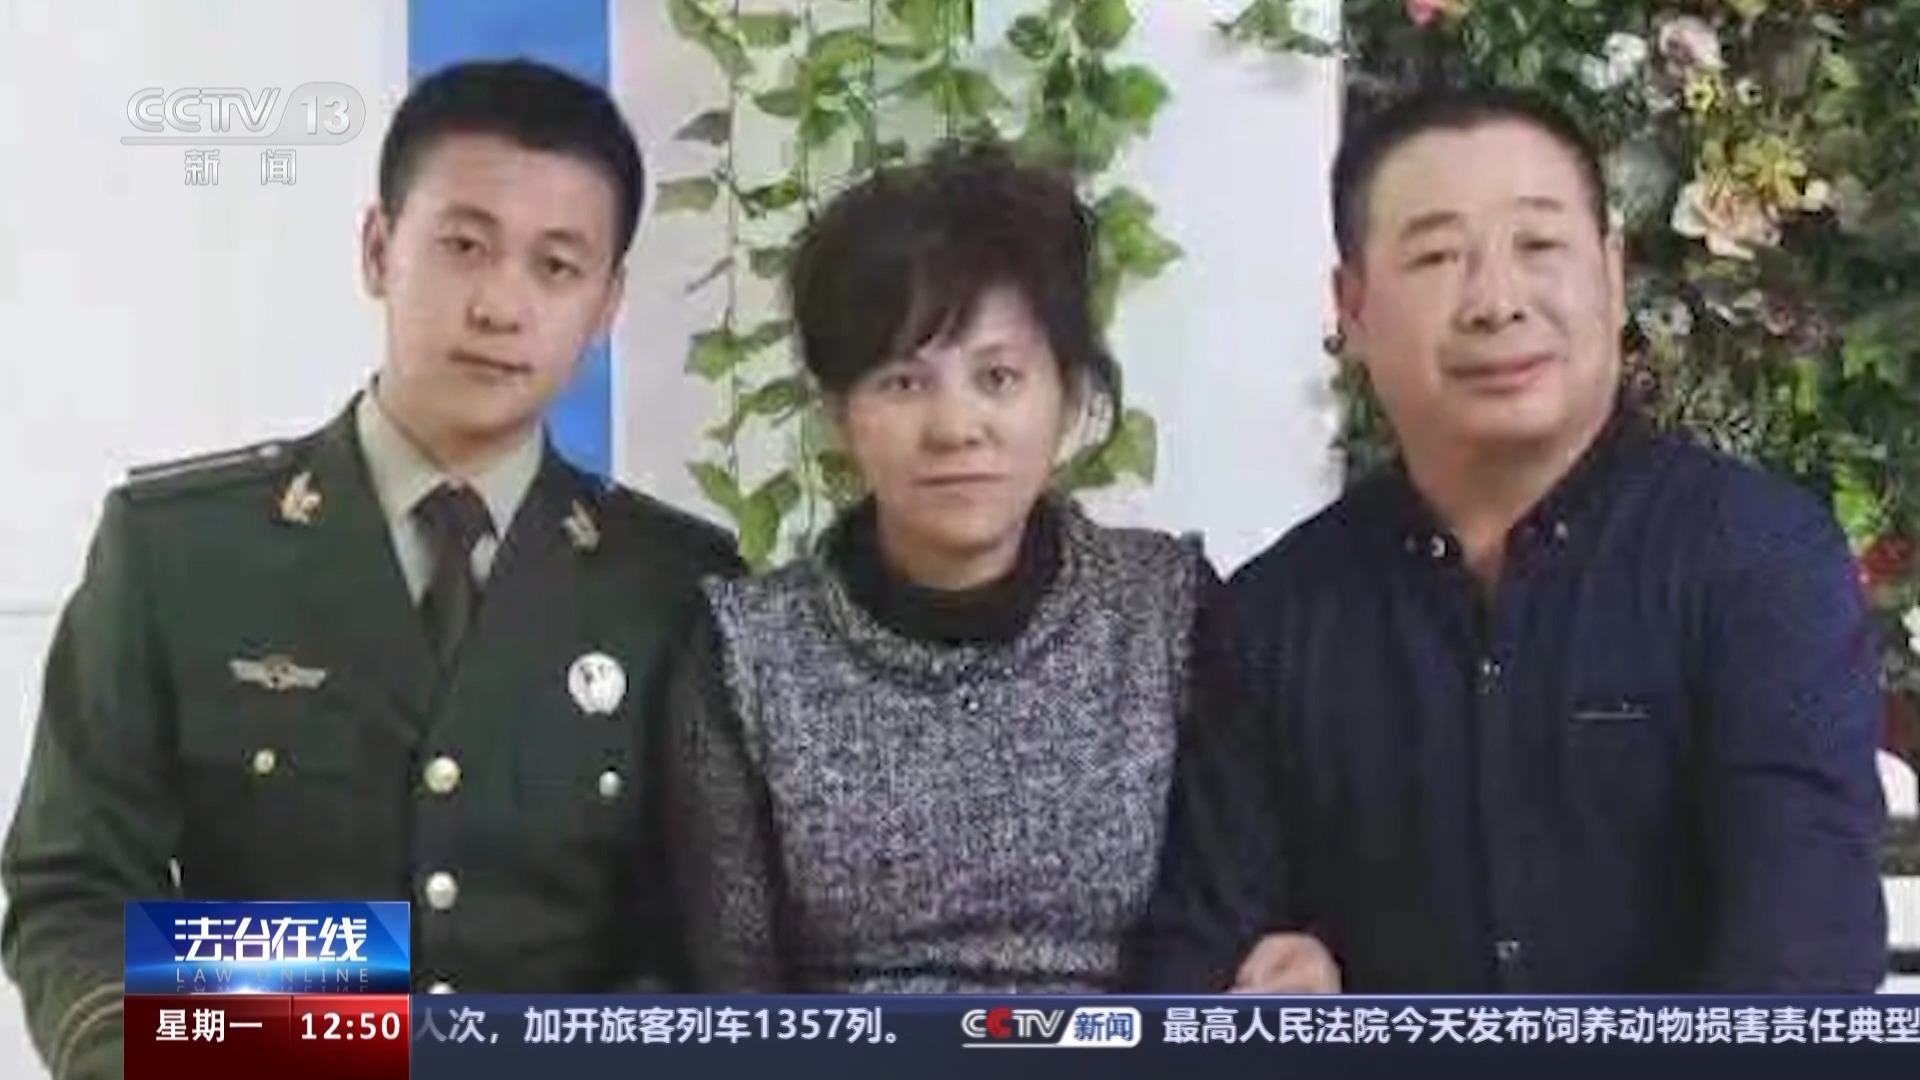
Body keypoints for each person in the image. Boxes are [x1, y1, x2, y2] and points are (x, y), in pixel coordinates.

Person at [1, 58, 741, 1079]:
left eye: (556, 267)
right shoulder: (179, 551)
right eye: (464, 247)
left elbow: (702, 939)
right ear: (379, 249)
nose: (501, 305)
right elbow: (75, 885)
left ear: (608, 304)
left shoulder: (673, 589)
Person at [1138, 86, 1888, 993]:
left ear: (1612, 275)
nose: (1496, 301)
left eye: (1538, 245)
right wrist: (1257, 998)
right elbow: (1195, 963)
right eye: (1437, 256)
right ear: (1353, 308)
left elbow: (1802, 968)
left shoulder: (1756, 563)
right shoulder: (1275, 616)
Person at [660, 140, 1337, 993]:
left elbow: (1222, 917)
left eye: (999, 377)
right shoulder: (749, 653)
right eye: (903, 383)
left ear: (1069, 396)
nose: (955, 428)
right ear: (838, 413)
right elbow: (737, 998)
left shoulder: (1168, 612)